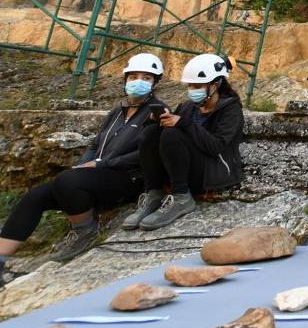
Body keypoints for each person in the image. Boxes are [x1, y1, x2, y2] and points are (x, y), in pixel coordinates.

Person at [0, 54, 167, 274]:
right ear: (125, 79)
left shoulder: (157, 112)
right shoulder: (117, 112)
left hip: (129, 177)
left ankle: (85, 231)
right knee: (36, 196)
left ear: (155, 82)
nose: (138, 81)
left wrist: (101, 165)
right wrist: (83, 165)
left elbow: (146, 153)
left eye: (146, 77)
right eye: (133, 76)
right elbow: (95, 145)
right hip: (98, 174)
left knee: (68, 181)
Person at [121, 53, 244, 230]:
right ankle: (153, 194)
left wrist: (183, 123)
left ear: (215, 85)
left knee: (173, 135)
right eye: (190, 86)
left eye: (198, 86)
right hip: (184, 169)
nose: (193, 90)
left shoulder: (230, 110)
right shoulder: (188, 106)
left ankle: (182, 198)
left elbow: (215, 147)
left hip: (212, 172)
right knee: (150, 133)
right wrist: (157, 120)